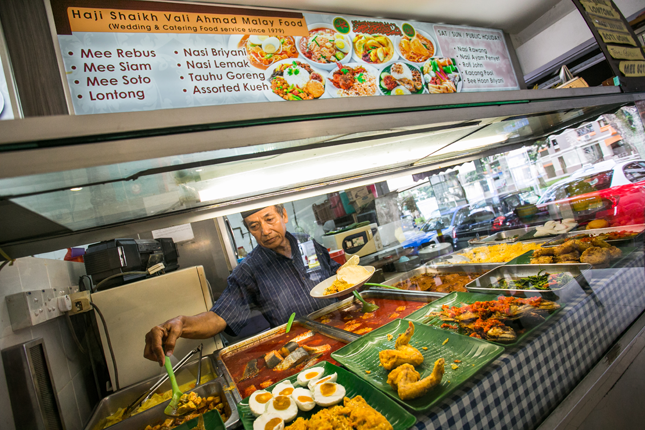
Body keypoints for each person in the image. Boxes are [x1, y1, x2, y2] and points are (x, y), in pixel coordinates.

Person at [143, 204, 340, 365]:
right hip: (301, 350)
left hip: (341, 329)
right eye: (254, 226)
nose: (265, 230)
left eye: (269, 219)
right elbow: (218, 318)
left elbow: (334, 274)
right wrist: (181, 324)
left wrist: (345, 272)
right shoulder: (249, 269)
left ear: (284, 215)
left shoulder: (306, 242)